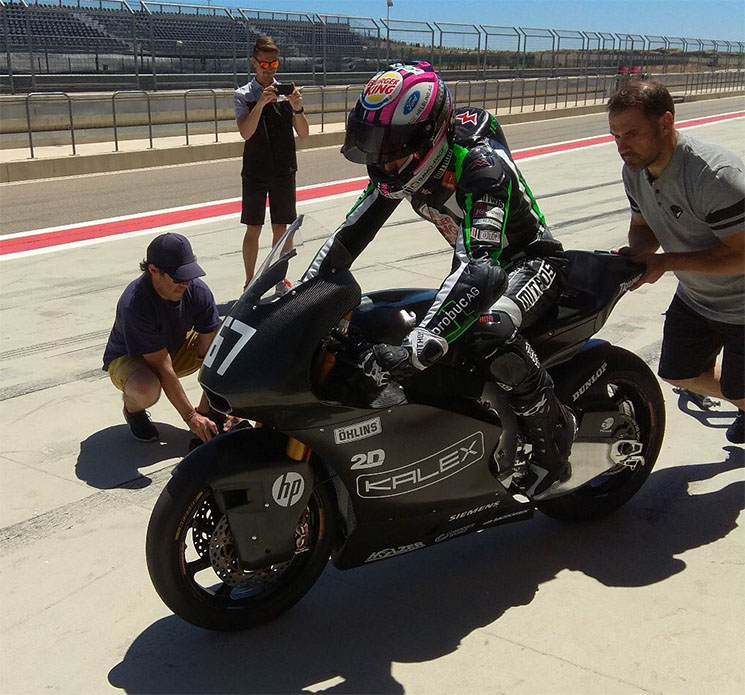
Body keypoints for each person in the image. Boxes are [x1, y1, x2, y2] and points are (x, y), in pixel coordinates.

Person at [303, 62, 575, 498]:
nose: (382, 161)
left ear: (429, 136)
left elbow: (484, 268)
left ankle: (552, 430)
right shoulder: (402, 166)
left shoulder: (480, 168)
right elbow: (348, 237)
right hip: (472, 264)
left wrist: (422, 343)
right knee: (386, 315)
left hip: (528, 262)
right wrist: (302, 296)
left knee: (483, 330)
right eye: (374, 148)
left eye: (390, 149)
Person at [607, 80, 745, 444]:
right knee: (678, 373)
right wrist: (639, 253)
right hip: (698, 297)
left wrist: (666, 262)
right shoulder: (635, 170)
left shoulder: (714, 176)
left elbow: (743, 255)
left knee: (738, 388)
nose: (622, 146)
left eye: (632, 133)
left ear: (666, 122)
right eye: (616, 136)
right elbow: (643, 224)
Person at [103, 233, 224, 445]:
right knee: (146, 388)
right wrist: (191, 418)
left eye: (189, 275)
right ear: (153, 270)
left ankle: (211, 413)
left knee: (226, 345)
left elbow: (210, 356)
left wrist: (207, 410)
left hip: (173, 347)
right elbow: (162, 366)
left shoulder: (197, 291)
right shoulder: (134, 304)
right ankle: (133, 410)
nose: (185, 284)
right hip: (133, 358)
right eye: (178, 277)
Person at [234, 36, 309, 291]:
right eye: (264, 64)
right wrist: (262, 103)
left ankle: (279, 279)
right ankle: (249, 281)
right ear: (254, 63)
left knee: (281, 227)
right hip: (255, 169)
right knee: (253, 226)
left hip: (284, 168)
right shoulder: (243, 95)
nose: (269, 69)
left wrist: (297, 108)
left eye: (274, 64)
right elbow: (245, 132)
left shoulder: (286, 94)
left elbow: (305, 133)